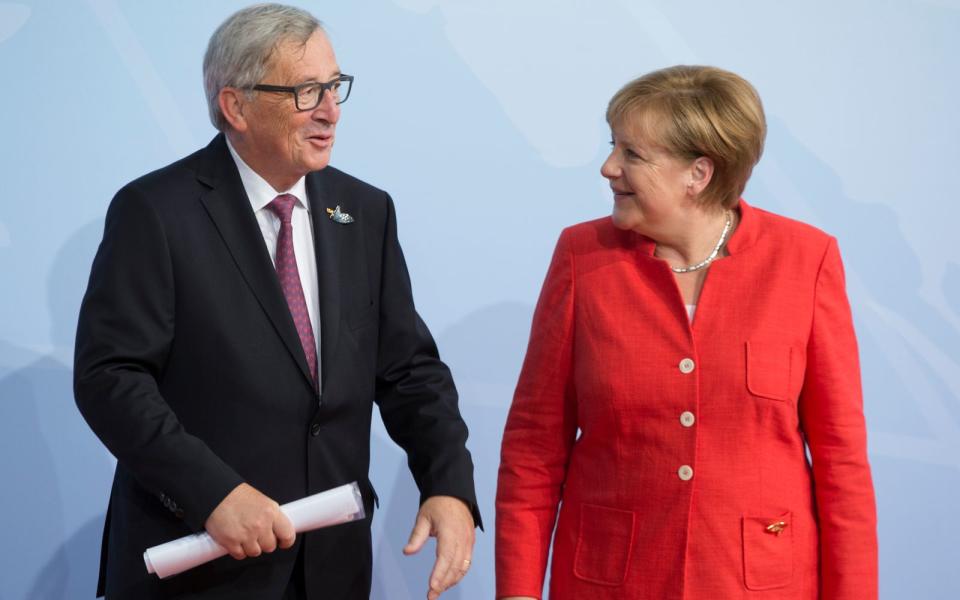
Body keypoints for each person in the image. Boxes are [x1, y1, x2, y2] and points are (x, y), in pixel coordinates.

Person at [74, 4, 480, 599]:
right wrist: (211, 492)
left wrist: (448, 484)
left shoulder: (364, 211)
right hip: (201, 562)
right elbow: (111, 377)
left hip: (331, 570)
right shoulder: (157, 212)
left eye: (335, 86)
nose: (330, 111)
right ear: (235, 106)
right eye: (306, 91)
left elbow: (409, 371)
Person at [495, 65, 877, 599]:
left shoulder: (806, 261)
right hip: (609, 583)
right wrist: (517, 591)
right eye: (614, 146)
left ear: (699, 173)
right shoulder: (581, 257)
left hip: (759, 582)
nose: (608, 168)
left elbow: (842, 464)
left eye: (632, 154)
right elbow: (534, 450)